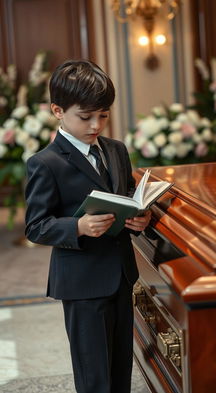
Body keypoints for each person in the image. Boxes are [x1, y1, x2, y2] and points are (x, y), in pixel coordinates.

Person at [25, 60, 151, 393]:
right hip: (81, 282)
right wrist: (77, 226)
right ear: (58, 110)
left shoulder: (116, 150)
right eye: (85, 117)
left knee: (121, 365)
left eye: (104, 115)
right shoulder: (45, 163)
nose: (96, 125)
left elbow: (124, 198)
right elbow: (36, 226)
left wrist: (139, 219)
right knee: (93, 373)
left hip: (122, 274)